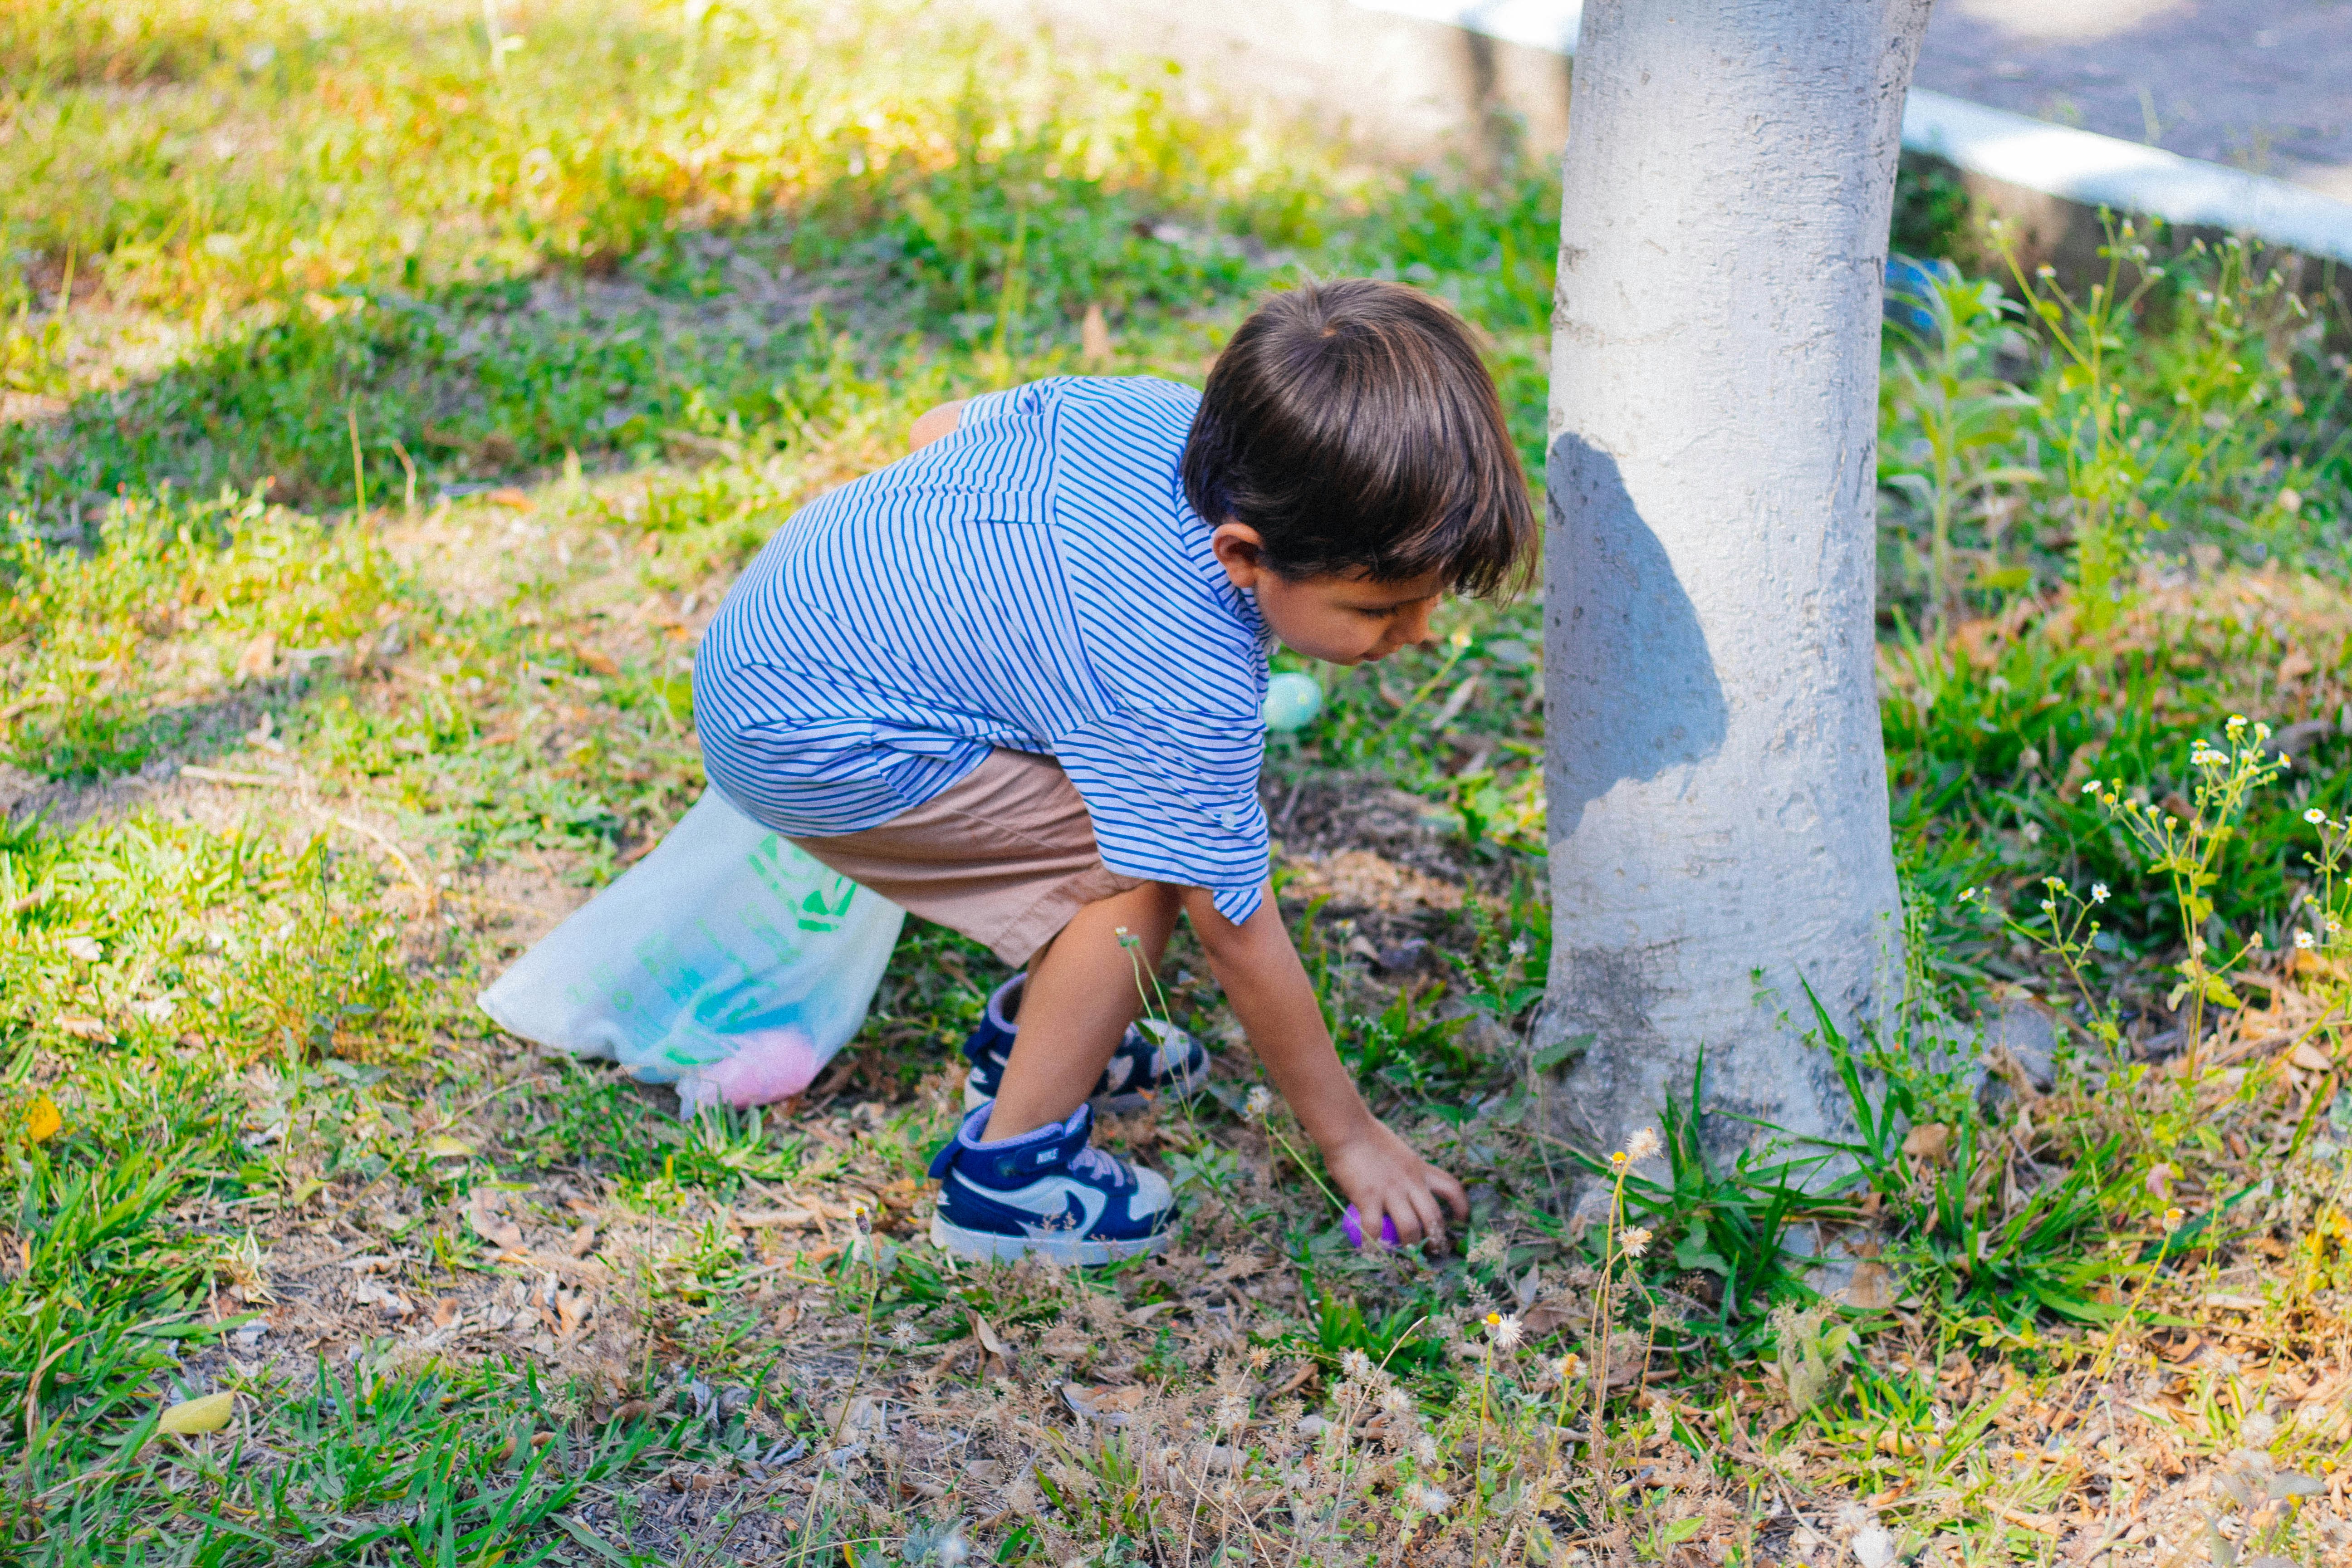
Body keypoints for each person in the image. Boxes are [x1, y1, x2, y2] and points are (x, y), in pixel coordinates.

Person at [693, 278, 1535, 1265]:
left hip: (775, 629)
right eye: (1381, 610)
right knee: (1134, 879)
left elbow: (939, 429)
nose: (1420, 633)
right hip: (812, 736)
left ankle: (1055, 1041)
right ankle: (1009, 1183)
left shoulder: (1155, 414)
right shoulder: (1185, 673)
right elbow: (1235, 925)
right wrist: (1352, 1140)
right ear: (1243, 555)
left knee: (1123, 839)